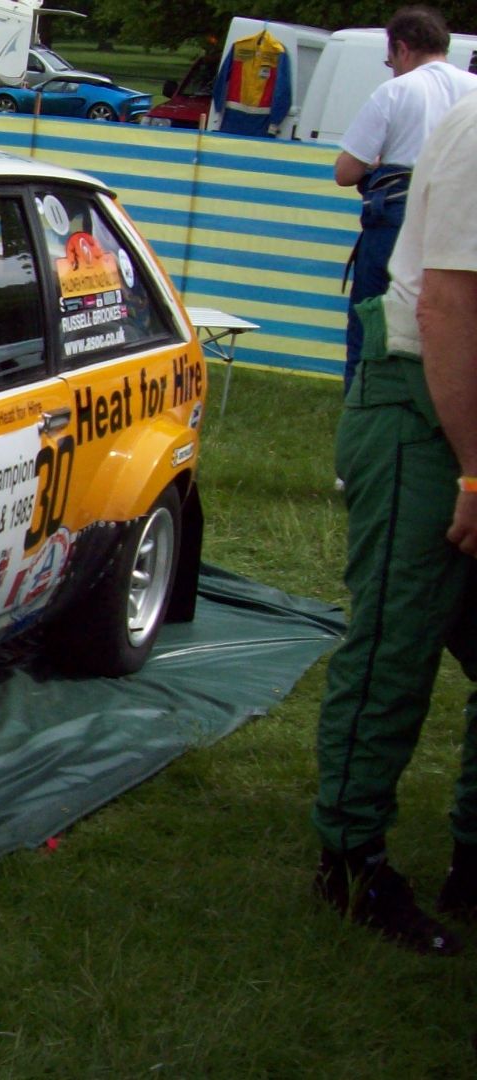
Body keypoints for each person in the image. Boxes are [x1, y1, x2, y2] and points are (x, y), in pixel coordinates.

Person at [311, 75, 477, 956]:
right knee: (395, 645)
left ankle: (474, 857)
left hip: (458, 410)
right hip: (420, 408)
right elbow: (449, 307)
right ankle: (349, 857)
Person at [334, 6, 477, 393]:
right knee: (451, 317)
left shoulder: (396, 90)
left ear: (402, 49)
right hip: (462, 213)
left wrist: (374, 164)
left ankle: (365, 400)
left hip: (397, 210)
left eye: (389, 60)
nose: (392, 67)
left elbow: (345, 172)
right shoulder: (473, 91)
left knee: (375, 316)